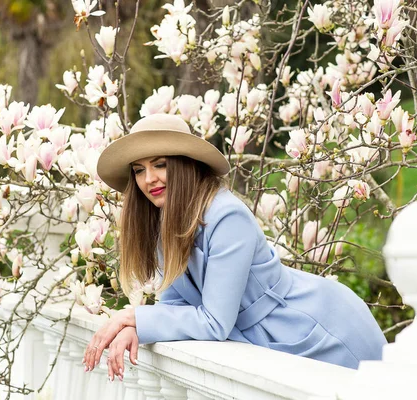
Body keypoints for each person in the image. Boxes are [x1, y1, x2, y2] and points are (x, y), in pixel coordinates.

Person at [83, 114, 387, 381]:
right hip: (264, 340)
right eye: (138, 170)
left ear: (186, 165)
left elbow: (215, 322)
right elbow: (176, 305)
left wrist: (132, 317)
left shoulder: (227, 216)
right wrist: (135, 327)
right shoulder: (165, 225)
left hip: (318, 330)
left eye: (160, 165)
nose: (149, 179)